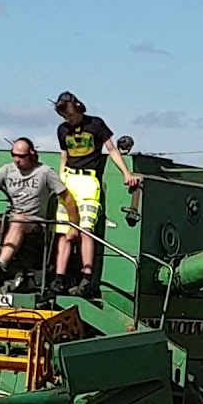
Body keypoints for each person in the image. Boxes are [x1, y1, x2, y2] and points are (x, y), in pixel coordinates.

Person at [51, 90, 140, 297]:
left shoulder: (96, 124)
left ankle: (87, 277)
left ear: (77, 107)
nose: (67, 117)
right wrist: (61, 181)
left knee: (85, 229)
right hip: (69, 180)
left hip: (89, 180)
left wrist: (126, 173)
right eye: (63, 114)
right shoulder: (62, 130)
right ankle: (59, 278)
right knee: (64, 231)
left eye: (68, 112)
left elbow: (112, 150)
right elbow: (64, 157)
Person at [0, 137, 81, 292]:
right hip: (13, 217)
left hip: (35, 223)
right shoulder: (7, 170)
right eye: (13, 155)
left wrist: (74, 226)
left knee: (19, 222)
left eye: (21, 156)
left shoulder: (45, 172)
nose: (17, 160)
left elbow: (67, 197)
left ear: (31, 154)